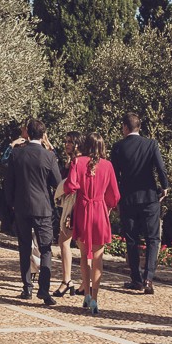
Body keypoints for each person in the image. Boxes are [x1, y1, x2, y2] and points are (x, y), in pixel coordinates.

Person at [109, 112, 168, 294]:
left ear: (125, 127)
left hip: (128, 199)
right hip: (150, 198)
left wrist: (115, 199)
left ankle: (136, 279)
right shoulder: (151, 144)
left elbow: (114, 177)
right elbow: (160, 168)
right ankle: (149, 279)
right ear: (139, 127)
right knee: (152, 239)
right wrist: (164, 187)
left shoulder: (118, 147)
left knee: (131, 240)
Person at [7, 118, 64, 306]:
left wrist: (11, 203)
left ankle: (27, 287)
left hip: (21, 206)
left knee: (24, 247)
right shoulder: (49, 156)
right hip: (42, 207)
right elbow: (58, 182)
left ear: (28, 134)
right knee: (46, 248)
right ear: (43, 135)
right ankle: (44, 289)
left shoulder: (16, 154)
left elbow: (9, 182)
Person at [64, 134, 121, 315]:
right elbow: (114, 195)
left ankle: (86, 294)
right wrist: (108, 206)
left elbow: (70, 186)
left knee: (83, 255)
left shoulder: (77, 162)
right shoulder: (108, 165)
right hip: (99, 210)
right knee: (98, 258)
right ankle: (95, 298)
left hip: (82, 209)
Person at [52, 133, 79, 297]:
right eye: (66, 141)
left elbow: (72, 185)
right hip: (70, 206)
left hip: (73, 207)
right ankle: (72, 281)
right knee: (67, 243)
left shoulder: (77, 162)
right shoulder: (71, 161)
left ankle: (67, 280)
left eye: (70, 142)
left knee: (65, 242)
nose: (67, 144)